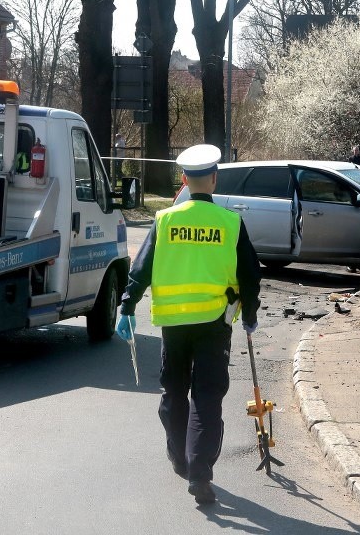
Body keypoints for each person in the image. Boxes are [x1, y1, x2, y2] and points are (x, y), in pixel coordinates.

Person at [116, 144, 262, 505]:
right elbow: (250, 274)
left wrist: (127, 306)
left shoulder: (165, 220)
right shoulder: (230, 222)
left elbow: (142, 267)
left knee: (174, 392)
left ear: (183, 180)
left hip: (174, 323)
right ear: (213, 179)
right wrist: (252, 314)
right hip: (214, 322)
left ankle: (179, 459)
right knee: (208, 397)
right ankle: (200, 473)